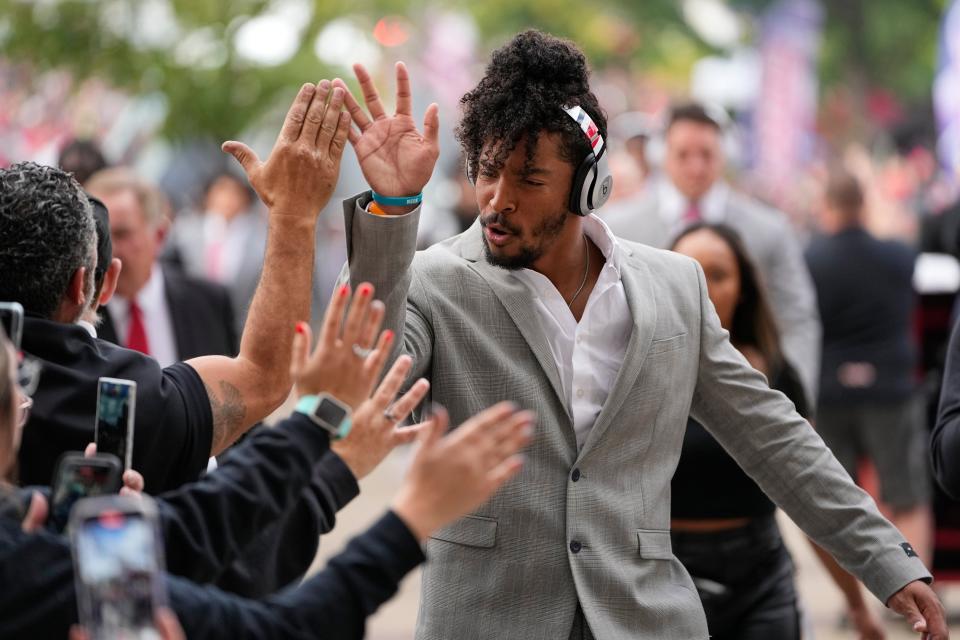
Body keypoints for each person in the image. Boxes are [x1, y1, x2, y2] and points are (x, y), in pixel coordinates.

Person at [332, 31, 946, 639]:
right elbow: (366, 385)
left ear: (587, 186)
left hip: (646, 620)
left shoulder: (675, 288)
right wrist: (391, 212)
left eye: (530, 179)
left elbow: (773, 436)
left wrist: (887, 560)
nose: (498, 200)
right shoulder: (436, 281)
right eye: (487, 173)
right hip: (486, 619)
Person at [0, 285, 533, 638]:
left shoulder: (31, 526)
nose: (26, 409)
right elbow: (285, 628)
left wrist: (320, 441)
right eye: (16, 396)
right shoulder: (34, 565)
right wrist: (413, 515)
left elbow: (195, 526)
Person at [0, 81, 344, 493]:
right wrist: (294, 213)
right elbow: (263, 376)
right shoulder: (132, 398)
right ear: (84, 285)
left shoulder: (193, 314)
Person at [670, 223, 884, 640]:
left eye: (718, 274)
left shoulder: (776, 373)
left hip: (761, 575)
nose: (704, 288)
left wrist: (857, 603)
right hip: (669, 574)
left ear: (744, 286)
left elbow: (810, 489)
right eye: (690, 272)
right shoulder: (641, 371)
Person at [603, 103, 821, 407]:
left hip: (746, 401)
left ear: (724, 156)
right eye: (683, 155)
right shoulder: (617, 228)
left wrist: (794, 398)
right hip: (647, 405)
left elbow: (796, 317)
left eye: (706, 154)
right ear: (661, 156)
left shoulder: (769, 230)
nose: (696, 167)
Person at [85, 168, 238, 364]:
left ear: (159, 235)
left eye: (122, 234)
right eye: (98, 236)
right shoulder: (77, 315)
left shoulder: (208, 304)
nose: (108, 249)